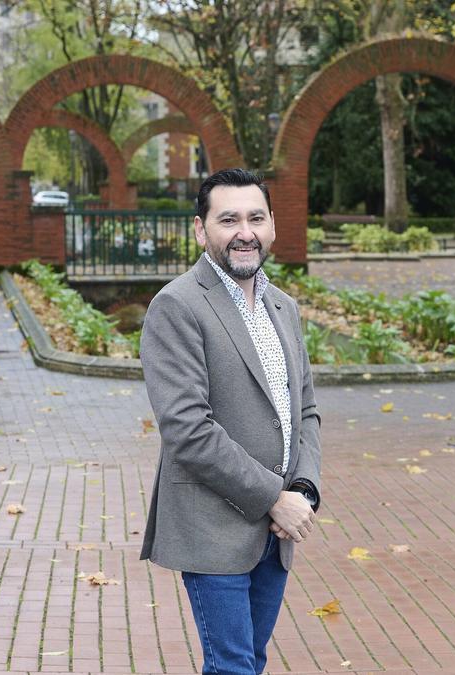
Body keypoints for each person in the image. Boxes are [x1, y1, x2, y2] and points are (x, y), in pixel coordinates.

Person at [139, 168, 322, 675]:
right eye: (229, 219)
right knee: (234, 667)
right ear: (201, 230)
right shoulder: (176, 306)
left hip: (278, 530)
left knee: (250, 662)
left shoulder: (283, 307)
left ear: (271, 227)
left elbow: (304, 410)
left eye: (256, 218)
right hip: (213, 526)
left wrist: (303, 489)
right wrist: (272, 498)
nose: (245, 232)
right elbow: (187, 431)